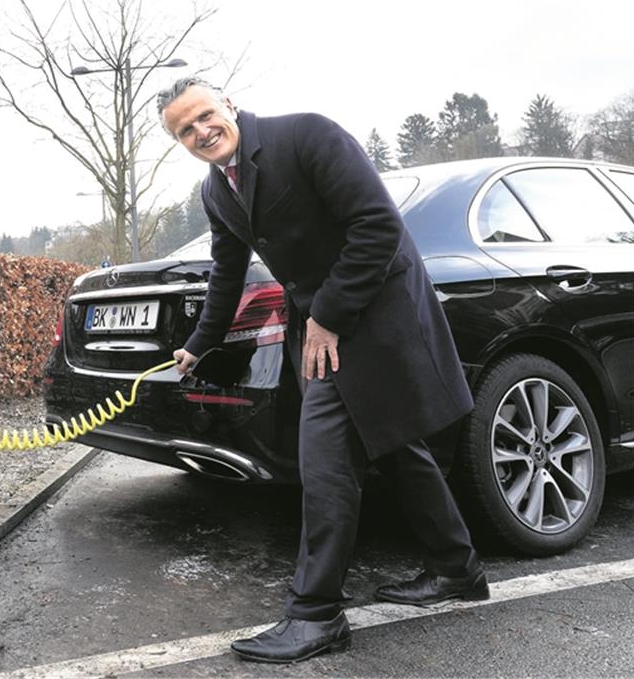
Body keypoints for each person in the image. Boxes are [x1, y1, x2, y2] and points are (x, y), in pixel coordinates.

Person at [157, 77, 486, 664]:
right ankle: (456, 568)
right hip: (323, 325)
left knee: (325, 457)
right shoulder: (217, 191)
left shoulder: (307, 135)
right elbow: (226, 271)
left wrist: (328, 316)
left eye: (205, 115)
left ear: (228, 104)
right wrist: (199, 344)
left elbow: (379, 226)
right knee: (392, 442)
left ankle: (316, 614)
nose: (201, 131)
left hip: (375, 311)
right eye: (185, 130)